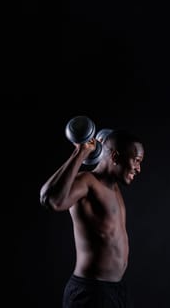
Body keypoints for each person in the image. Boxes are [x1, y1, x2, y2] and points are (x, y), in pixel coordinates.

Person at [40, 127, 145, 308]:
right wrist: (80, 152)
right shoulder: (87, 182)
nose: (139, 168)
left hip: (116, 290)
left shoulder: (114, 187)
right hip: (92, 292)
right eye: (136, 161)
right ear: (114, 157)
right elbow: (50, 200)